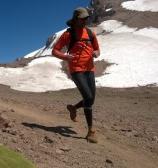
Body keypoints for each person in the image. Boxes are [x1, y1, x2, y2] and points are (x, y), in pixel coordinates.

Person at [52, 7, 100, 143]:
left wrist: (96, 53)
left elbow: (97, 49)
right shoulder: (68, 34)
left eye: (86, 18)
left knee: (91, 99)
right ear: (75, 19)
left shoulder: (91, 33)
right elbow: (55, 51)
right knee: (88, 97)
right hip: (76, 70)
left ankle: (73, 108)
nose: (85, 20)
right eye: (82, 18)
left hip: (90, 69)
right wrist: (65, 57)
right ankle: (91, 131)